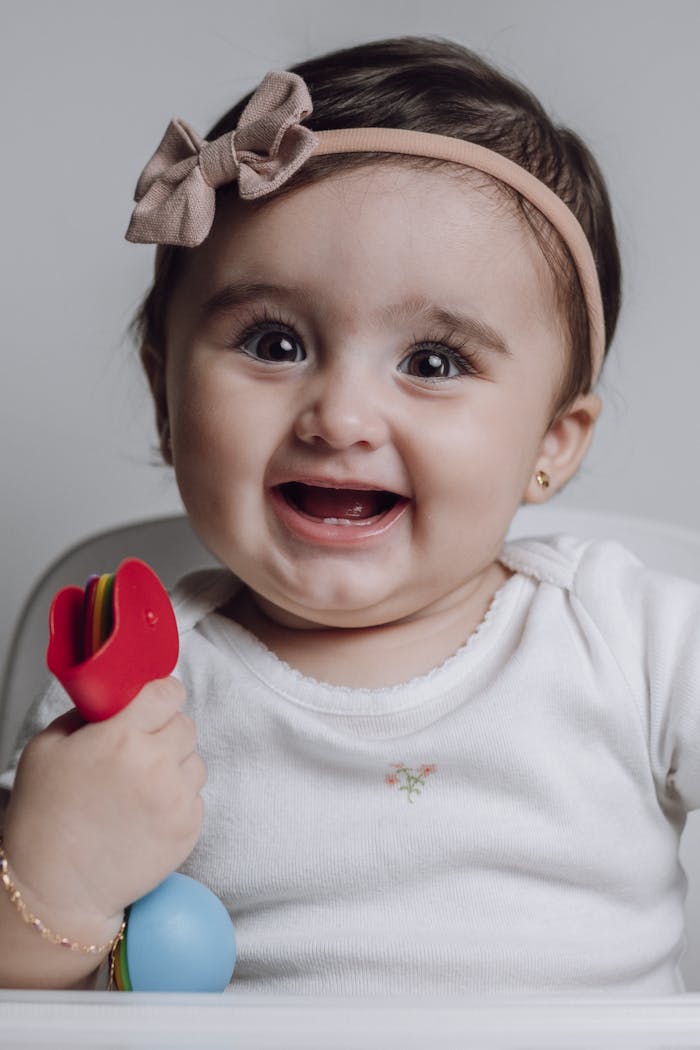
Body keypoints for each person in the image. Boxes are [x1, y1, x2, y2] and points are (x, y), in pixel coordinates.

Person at [0, 35, 697, 996]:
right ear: (165, 399)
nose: (340, 416)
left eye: (434, 362)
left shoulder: (634, 642)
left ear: (553, 443)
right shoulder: (134, 690)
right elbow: (23, 1003)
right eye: (275, 341)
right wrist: (54, 881)